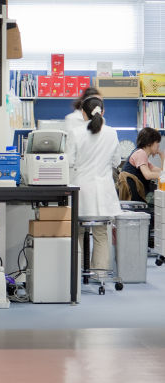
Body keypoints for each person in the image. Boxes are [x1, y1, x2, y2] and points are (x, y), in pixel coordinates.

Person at [66, 94, 122, 273]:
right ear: (102, 112)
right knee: (101, 235)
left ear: (83, 113)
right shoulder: (112, 133)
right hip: (103, 193)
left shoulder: (76, 133)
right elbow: (116, 161)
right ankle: (100, 275)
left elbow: (69, 162)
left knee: (78, 233)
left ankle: (78, 273)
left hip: (81, 192)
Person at [118, 127, 164, 204]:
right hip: (136, 198)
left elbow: (161, 171)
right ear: (149, 143)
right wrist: (162, 174)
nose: (158, 145)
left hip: (138, 195)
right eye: (157, 142)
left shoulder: (142, 155)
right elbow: (148, 175)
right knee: (160, 201)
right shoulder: (140, 153)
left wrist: (162, 157)